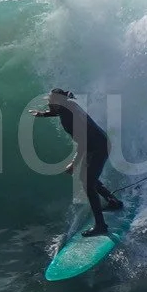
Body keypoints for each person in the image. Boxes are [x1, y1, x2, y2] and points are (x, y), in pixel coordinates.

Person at [34, 89, 126, 236]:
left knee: (88, 184)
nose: (48, 102)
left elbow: (82, 143)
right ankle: (113, 202)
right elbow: (58, 111)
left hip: (98, 147)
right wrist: (43, 114)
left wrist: (73, 164)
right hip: (96, 144)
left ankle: (101, 226)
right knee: (86, 178)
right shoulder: (67, 106)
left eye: (51, 101)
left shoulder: (69, 116)